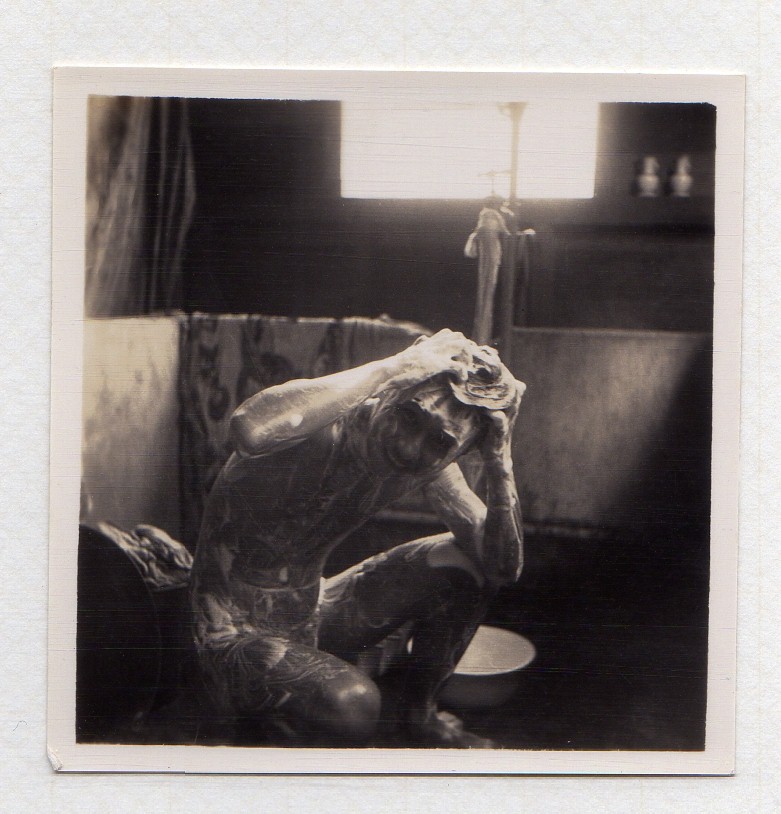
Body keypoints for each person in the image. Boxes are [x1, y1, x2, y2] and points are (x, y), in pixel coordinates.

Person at [189, 329, 525, 748]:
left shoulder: (429, 462)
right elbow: (249, 428)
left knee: (467, 569)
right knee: (355, 706)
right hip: (229, 633)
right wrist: (394, 366)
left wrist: (499, 461)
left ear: (459, 451)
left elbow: (502, 568)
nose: (409, 448)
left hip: (311, 613)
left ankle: (420, 717)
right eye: (409, 416)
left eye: (441, 442)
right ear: (396, 390)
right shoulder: (325, 426)